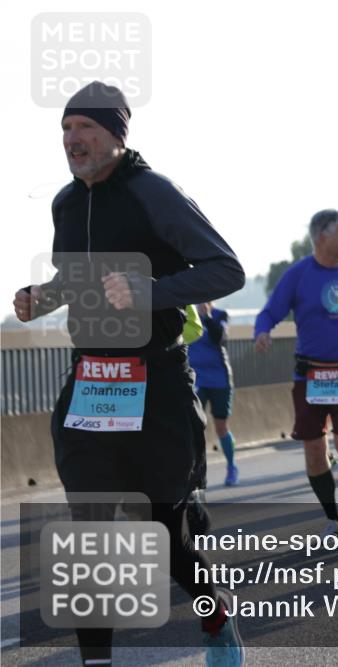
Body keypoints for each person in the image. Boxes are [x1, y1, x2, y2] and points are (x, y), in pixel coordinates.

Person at [12, 81, 245, 665]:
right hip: (90, 382)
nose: (72, 140)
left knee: (164, 533)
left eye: (84, 128)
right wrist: (42, 297)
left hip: (156, 383)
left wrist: (151, 291)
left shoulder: (154, 193)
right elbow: (75, 280)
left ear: (115, 134)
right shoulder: (65, 204)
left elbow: (227, 269)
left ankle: (215, 619)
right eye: (65, 130)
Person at [254, 210, 338, 536]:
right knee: (315, 452)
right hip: (310, 376)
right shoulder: (299, 274)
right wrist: (263, 331)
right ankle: (332, 519)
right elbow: (271, 310)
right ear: (321, 237)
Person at [189, 302, 239, 485]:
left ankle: (232, 466)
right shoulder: (188, 313)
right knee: (193, 427)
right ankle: (195, 473)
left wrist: (208, 317)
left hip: (219, 379)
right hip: (196, 380)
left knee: (221, 426)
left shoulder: (220, 315)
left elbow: (221, 338)